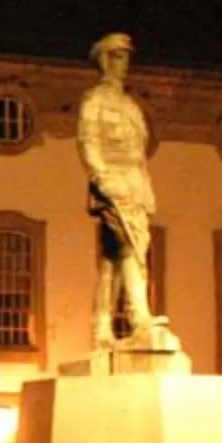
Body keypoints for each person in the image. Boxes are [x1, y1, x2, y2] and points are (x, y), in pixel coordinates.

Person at [77, 30, 163, 344]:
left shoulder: (131, 106)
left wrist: (145, 191)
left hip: (135, 184)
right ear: (104, 60)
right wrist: (102, 177)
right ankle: (138, 314)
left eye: (126, 58)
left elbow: (139, 155)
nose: (123, 64)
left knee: (116, 259)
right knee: (127, 249)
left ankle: (102, 326)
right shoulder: (94, 100)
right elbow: (89, 141)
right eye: (117, 57)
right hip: (111, 183)